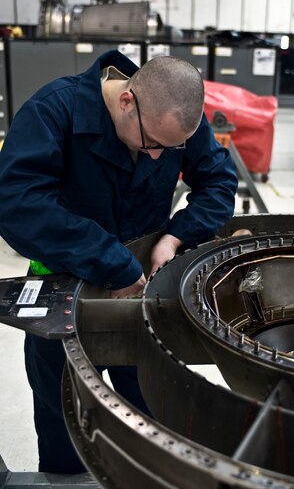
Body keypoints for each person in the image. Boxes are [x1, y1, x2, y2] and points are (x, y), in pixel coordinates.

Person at [0, 50, 238, 474]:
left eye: (171, 150)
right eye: (152, 145)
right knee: (66, 441)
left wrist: (175, 235)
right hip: (64, 306)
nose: (156, 158)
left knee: (152, 435)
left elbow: (218, 182)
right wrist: (112, 261)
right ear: (127, 100)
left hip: (143, 303)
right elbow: (18, 206)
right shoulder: (54, 111)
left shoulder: (173, 116)